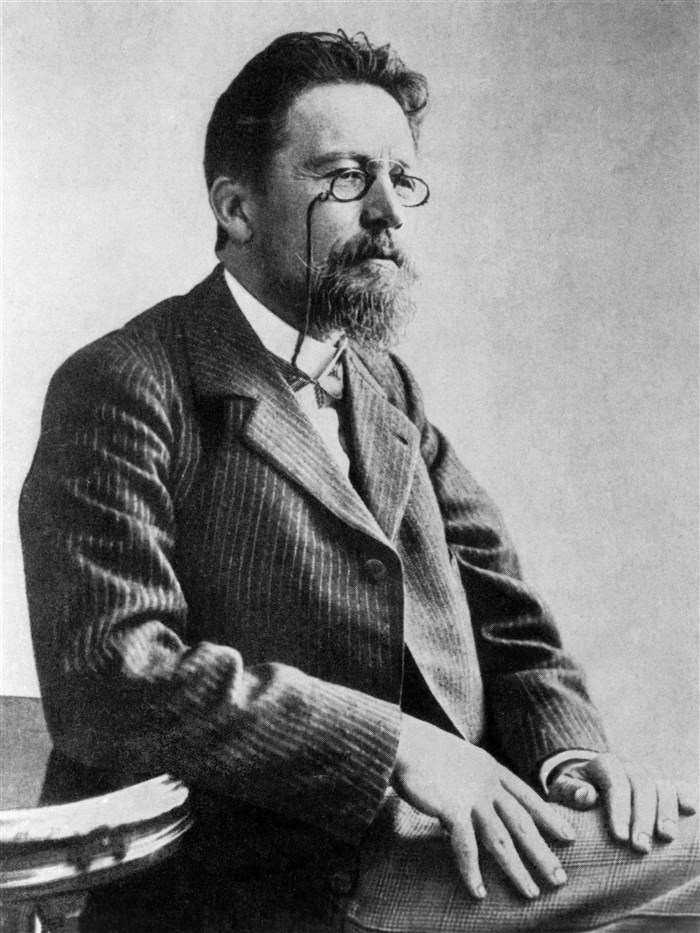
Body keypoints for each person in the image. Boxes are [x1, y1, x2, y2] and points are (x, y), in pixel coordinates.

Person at [19, 30, 698, 933]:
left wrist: (570, 757)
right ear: (237, 208)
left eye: (400, 179)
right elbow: (111, 677)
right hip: (254, 884)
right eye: (345, 177)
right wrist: (392, 745)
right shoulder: (124, 382)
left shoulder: (383, 382)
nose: (388, 213)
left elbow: (507, 617)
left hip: (436, 845)